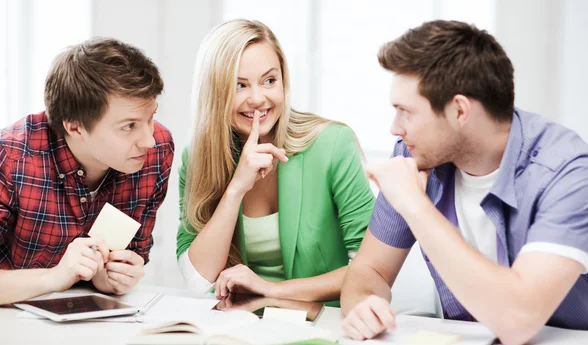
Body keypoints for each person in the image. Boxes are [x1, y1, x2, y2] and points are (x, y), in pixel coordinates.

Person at [341, 20, 588, 344]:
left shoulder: (570, 174)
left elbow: (519, 321)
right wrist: (365, 306)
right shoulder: (414, 158)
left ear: (459, 111)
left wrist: (415, 206)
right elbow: (369, 272)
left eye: (406, 111)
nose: (395, 128)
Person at [176, 19, 374, 304]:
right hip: (244, 324)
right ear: (215, 92)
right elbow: (198, 280)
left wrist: (272, 290)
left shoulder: (332, 144)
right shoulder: (198, 157)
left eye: (270, 81)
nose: (258, 99)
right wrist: (236, 190)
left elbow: (370, 270)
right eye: (239, 85)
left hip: (323, 321)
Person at [0, 38, 175, 304]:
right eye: (128, 126)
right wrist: (55, 277)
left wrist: (112, 278)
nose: (148, 140)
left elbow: (135, 253)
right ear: (75, 127)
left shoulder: (157, 150)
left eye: (150, 118)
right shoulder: (11, 158)